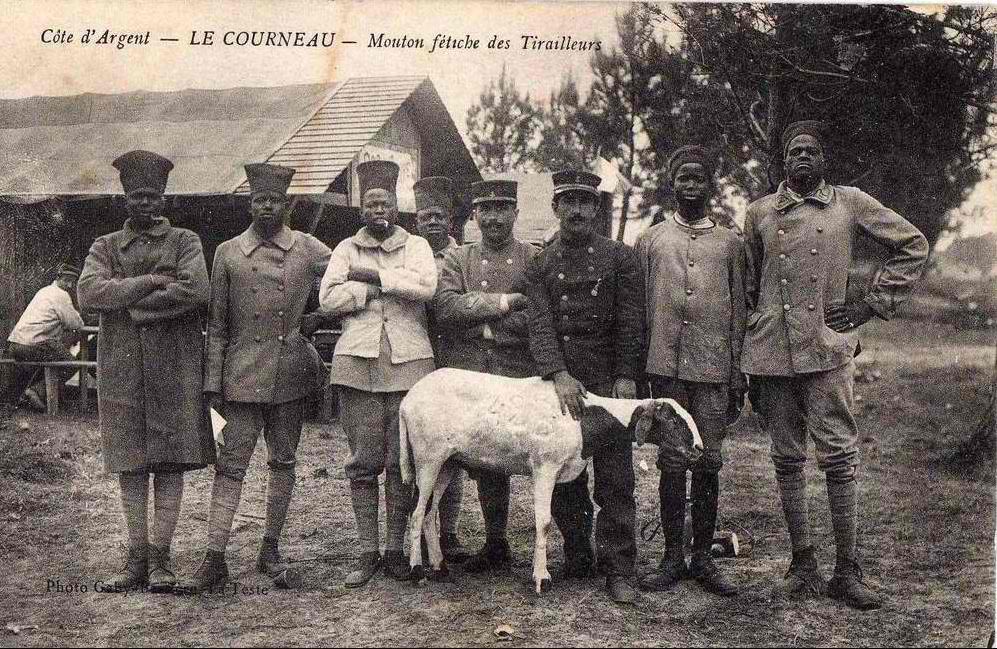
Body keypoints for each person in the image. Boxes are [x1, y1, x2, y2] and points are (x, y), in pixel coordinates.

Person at [742, 120, 929, 610]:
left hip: (826, 349)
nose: (802, 158)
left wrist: (868, 305)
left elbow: (912, 244)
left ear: (824, 160)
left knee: (839, 457)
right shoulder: (759, 212)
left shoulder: (849, 202)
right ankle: (802, 562)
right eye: (793, 151)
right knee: (786, 456)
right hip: (771, 354)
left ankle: (847, 570)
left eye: (811, 151)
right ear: (783, 161)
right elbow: (748, 285)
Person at [181, 163, 332, 593]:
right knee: (230, 467)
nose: (267, 206)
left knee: (283, 462)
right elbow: (218, 325)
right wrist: (213, 385)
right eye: (259, 200)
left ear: (287, 204)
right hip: (241, 380)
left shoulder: (307, 248)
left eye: (275, 200)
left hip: (291, 378)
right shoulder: (227, 252)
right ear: (250, 204)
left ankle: (271, 547)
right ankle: (214, 557)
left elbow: (346, 271)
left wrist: (320, 314)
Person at [77, 150, 214, 594]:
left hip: (175, 367)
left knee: (170, 462)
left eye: (152, 196)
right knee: (131, 464)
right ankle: (135, 558)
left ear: (164, 198)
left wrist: (131, 306)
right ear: (125, 199)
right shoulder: (105, 245)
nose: (145, 204)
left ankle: (161, 559)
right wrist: (152, 282)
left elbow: (195, 293)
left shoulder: (186, 241)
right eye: (137, 196)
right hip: (122, 369)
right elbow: (90, 294)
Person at [525, 169, 644, 604]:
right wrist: (557, 374)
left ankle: (619, 567)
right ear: (555, 208)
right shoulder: (540, 264)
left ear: (596, 208)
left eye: (585, 202)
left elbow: (632, 321)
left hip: (609, 383)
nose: (576, 210)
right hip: (561, 385)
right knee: (561, 473)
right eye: (567, 202)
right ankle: (577, 553)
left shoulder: (620, 258)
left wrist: (626, 376)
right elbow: (540, 324)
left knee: (615, 477)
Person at [319, 160, 438, 588]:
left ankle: (395, 550)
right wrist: (370, 288)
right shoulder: (345, 249)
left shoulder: (419, 246)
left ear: (396, 204)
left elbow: (425, 287)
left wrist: (375, 275)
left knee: (400, 462)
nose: (378, 210)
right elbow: (327, 299)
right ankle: (367, 551)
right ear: (361, 209)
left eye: (385, 201)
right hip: (358, 363)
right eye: (370, 203)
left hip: (410, 366)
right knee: (363, 462)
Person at [634, 145, 745, 597]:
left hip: (713, 369)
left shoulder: (730, 243)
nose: (690, 186)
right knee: (671, 461)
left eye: (699, 178)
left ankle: (702, 558)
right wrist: (643, 368)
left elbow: (741, 308)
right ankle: (670, 559)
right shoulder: (652, 240)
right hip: (665, 369)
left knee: (708, 462)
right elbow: (640, 308)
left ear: (710, 186)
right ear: (671, 183)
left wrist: (738, 370)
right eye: (683, 177)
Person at [432, 178, 537, 573]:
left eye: (502, 209)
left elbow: (537, 315)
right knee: (484, 456)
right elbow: (446, 307)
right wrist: (503, 304)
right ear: (475, 215)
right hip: (472, 370)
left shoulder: (532, 258)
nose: (494, 218)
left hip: (515, 370)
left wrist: (480, 318)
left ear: (515, 213)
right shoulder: (459, 259)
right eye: (486, 210)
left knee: (517, 450)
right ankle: (496, 543)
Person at [413, 175, 471, 564]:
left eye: (438, 216)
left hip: (455, 354)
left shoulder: (465, 256)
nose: (431, 223)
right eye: (423, 217)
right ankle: (417, 531)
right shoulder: (409, 254)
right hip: (417, 353)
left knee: (457, 449)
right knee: (424, 448)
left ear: (450, 220)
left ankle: (448, 532)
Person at [5, 263, 84, 411]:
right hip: (34, 343)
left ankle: (28, 396)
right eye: (68, 280)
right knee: (71, 365)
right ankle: (36, 392)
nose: (70, 285)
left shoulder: (44, 291)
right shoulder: (61, 295)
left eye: (72, 281)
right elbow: (75, 324)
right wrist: (81, 317)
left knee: (50, 361)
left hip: (16, 343)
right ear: (61, 278)